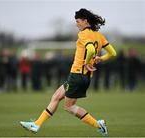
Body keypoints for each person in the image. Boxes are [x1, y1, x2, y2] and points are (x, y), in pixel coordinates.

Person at [20, 8, 116, 136]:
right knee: (56, 96)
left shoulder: (83, 34)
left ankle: (98, 125)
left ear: (85, 21)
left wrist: (87, 62)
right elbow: (113, 53)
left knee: (69, 107)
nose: (76, 24)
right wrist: (100, 59)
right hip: (84, 77)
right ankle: (36, 124)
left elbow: (91, 49)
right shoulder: (99, 36)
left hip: (77, 75)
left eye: (78, 21)